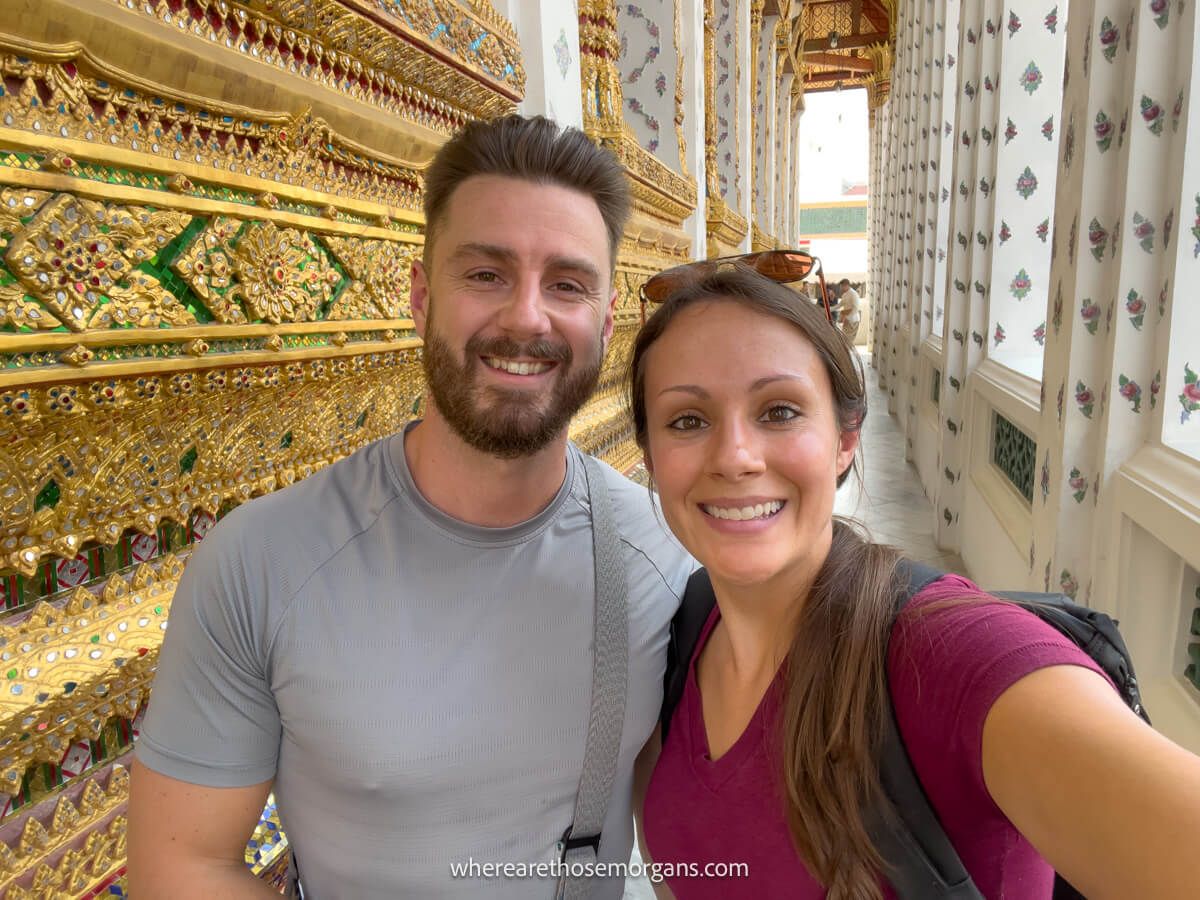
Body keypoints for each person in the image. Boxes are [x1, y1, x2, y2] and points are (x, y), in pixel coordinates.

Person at [129, 114, 692, 899]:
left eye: (566, 284)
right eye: (486, 274)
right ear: (422, 298)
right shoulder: (261, 562)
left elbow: (702, 847)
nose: (528, 317)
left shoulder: (663, 562)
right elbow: (182, 864)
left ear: (604, 325)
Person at [626, 263, 1200, 898]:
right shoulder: (682, 635)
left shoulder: (948, 652)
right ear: (650, 458)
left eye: (780, 411)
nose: (735, 456)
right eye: (686, 421)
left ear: (845, 440)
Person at [829, 277, 862, 344]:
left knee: (848, 341)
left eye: (842, 287)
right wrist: (828, 309)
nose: (841, 288)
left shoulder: (854, 294)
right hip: (846, 319)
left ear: (846, 285)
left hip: (853, 320)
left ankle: (848, 354)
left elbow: (855, 308)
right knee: (844, 340)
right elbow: (839, 305)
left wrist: (846, 316)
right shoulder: (844, 295)